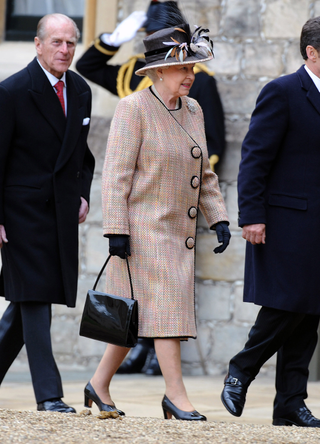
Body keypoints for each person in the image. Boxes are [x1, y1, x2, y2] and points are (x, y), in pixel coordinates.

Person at [83, 20, 230, 420]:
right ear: (160, 70)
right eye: (184, 68)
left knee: (133, 317)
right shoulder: (134, 109)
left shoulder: (194, 109)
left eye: (192, 67)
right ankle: (176, 397)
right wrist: (115, 230)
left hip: (178, 231)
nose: (191, 75)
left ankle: (97, 384)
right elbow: (116, 175)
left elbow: (206, 173)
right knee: (169, 311)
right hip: (142, 231)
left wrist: (218, 218)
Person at [220, 16, 320, 428]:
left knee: (310, 315)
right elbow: (254, 159)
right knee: (285, 305)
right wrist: (252, 216)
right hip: (285, 222)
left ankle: (290, 404)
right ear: (312, 52)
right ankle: (241, 368)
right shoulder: (281, 91)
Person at [0, 13, 95, 413]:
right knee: (36, 298)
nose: (64, 50)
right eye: (56, 42)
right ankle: (50, 395)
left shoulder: (81, 89)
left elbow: (82, 154)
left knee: (26, 305)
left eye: (71, 42)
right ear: (37, 44)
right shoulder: (12, 91)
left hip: (59, 212)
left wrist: (83, 193)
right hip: (19, 212)